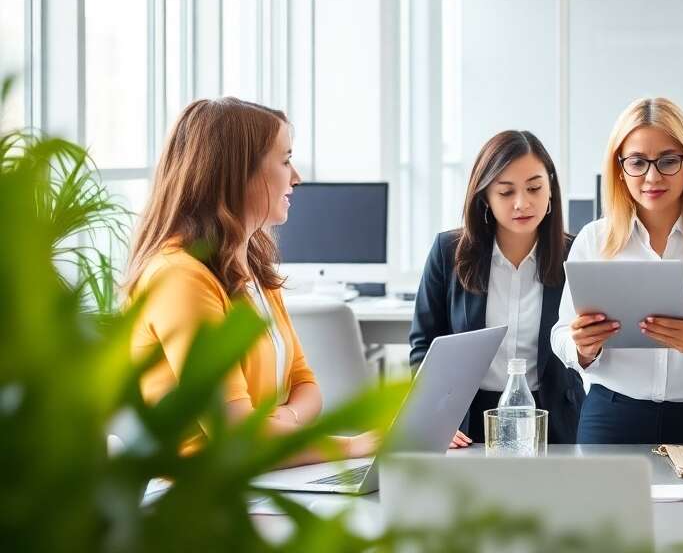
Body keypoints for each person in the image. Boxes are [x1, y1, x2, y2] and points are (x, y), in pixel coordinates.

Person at [125, 98, 376, 462]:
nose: (297, 177)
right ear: (238, 172)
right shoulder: (179, 277)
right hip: (198, 499)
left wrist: (282, 419)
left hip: (265, 477)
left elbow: (306, 386)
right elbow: (235, 435)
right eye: (286, 160)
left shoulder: (253, 268)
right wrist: (353, 446)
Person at [552, 97, 683, 445]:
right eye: (637, 162)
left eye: (668, 161)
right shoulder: (595, 239)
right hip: (612, 418)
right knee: (606, 503)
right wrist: (582, 346)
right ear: (620, 168)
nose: (652, 176)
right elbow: (561, 332)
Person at [409, 130, 584, 446]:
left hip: (553, 420)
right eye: (505, 192)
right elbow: (424, 345)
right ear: (485, 196)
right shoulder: (448, 252)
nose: (522, 203)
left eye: (534, 188)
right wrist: (435, 417)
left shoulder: (576, 254)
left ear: (551, 191)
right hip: (467, 421)